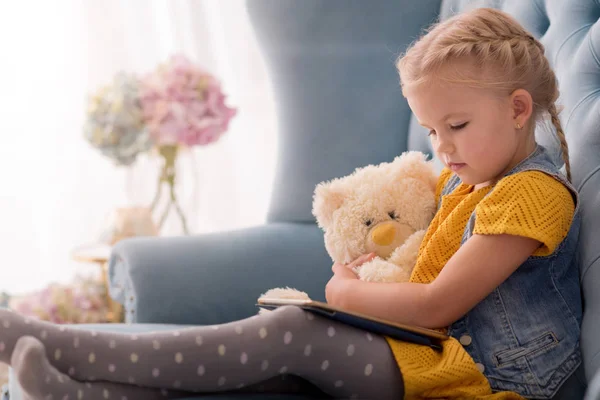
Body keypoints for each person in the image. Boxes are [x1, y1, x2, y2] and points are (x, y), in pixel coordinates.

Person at [2, 7, 583, 400]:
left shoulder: (533, 194)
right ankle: (79, 390)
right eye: (432, 131)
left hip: (490, 382)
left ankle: (66, 344)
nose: (442, 147)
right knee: (284, 375)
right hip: (436, 357)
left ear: (517, 109)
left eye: (455, 125)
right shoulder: (470, 178)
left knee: (291, 332)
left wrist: (345, 293)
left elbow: (435, 304)